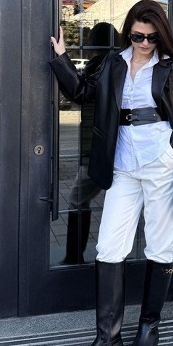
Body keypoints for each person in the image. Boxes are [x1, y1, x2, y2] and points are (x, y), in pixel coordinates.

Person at [50, 0, 173, 346]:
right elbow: (82, 92)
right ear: (129, 32)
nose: (145, 44)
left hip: (162, 166)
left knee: (160, 245)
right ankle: (107, 340)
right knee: (109, 247)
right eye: (138, 36)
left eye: (152, 37)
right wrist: (61, 57)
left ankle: (148, 329)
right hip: (123, 165)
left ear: (161, 35)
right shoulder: (113, 63)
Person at [60, 22, 119, 265]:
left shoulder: (100, 66)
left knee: (77, 199)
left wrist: (61, 57)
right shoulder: (119, 63)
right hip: (114, 147)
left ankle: (74, 257)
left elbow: (80, 93)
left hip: (99, 148)